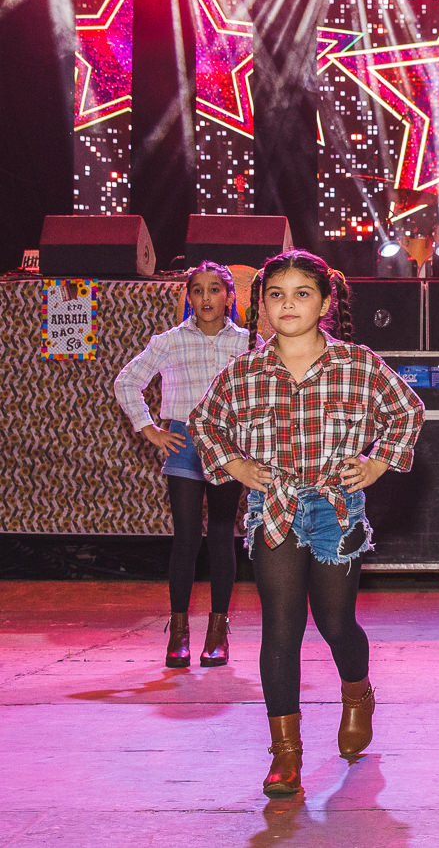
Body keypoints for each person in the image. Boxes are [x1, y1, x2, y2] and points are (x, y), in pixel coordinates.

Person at [189, 249, 425, 795]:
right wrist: (235, 466)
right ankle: (285, 754)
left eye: (302, 294)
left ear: (325, 302)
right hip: (272, 507)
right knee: (281, 626)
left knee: (335, 623)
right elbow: (204, 423)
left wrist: (377, 464)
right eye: (276, 295)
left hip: (336, 509)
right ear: (261, 305)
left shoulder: (358, 364)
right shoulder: (244, 372)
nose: (288, 305)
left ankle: (357, 692)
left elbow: (407, 411)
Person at [113, 261, 252, 668]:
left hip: (227, 444)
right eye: (197, 290)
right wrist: (150, 429)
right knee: (187, 537)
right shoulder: (170, 341)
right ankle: (178, 633)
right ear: (189, 297)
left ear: (229, 296)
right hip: (185, 441)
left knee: (222, 535)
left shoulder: (248, 342)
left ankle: (217, 633)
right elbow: (126, 381)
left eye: (214, 289)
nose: (206, 298)